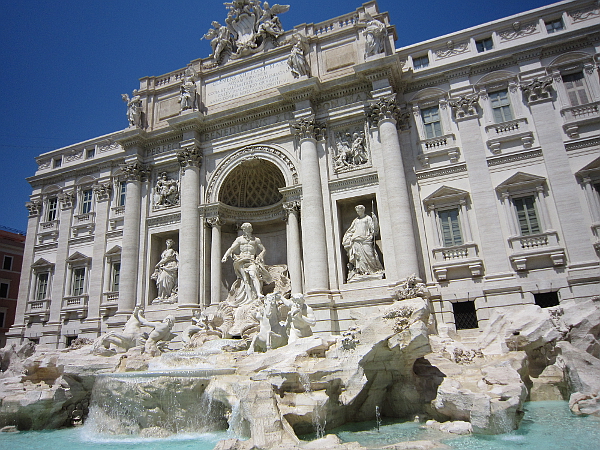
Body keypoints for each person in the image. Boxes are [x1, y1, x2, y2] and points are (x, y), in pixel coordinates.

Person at [222, 222, 272, 306]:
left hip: (252, 260)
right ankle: (249, 298)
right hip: (242, 260)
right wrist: (225, 256)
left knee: (253, 275)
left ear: (251, 229)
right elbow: (231, 249)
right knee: (245, 279)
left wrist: (261, 255)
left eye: (249, 229)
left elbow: (263, 249)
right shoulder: (239, 239)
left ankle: (259, 293)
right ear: (243, 230)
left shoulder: (256, 240)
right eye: (245, 229)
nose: (247, 230)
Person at [342, 205, 384, 282]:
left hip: (366, 239)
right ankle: (362, 272)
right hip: (356, 240)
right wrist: (348, 237)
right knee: (359, 258)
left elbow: (373, 230)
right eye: (357, 211)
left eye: (359, 211)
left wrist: (375, 221)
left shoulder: (368, 218)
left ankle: (373, 270)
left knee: (370, 255)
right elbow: (351, 230)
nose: (358, 212)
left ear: (363, 210)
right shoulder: (356, 220)